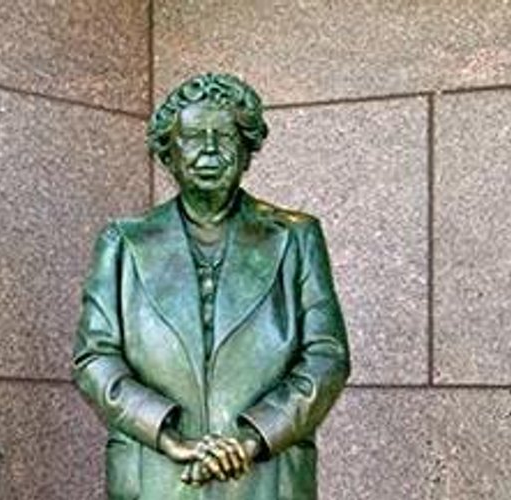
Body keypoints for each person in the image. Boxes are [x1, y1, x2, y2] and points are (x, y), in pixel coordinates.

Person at [72, 73, 350, 499]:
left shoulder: (296, 237)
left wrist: (255, 438)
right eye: (192, 137)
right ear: (168, 153)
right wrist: (166, 434)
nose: (209, 149)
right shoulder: (124, 242)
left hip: (266, 477)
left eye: (225, 136)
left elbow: (327, 357)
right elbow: (94, 357)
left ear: (246, 150)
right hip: (156, 475)